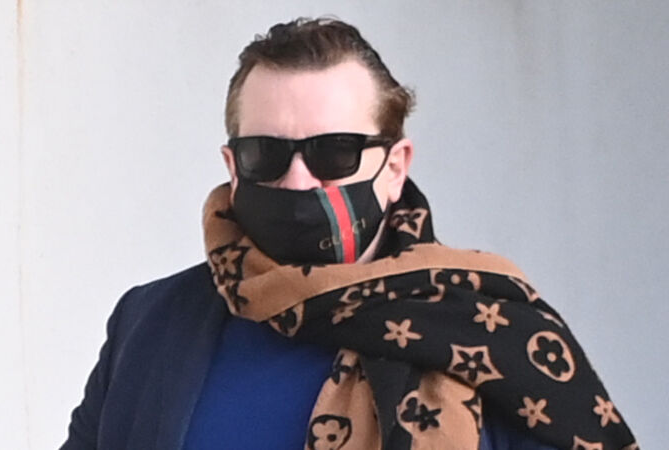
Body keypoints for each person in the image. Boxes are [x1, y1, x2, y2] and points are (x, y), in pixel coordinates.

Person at [61, 17, 638, 450]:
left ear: (395, 167)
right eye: (266, 154)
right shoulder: (151, 323)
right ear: (233, 167)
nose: (297, 179)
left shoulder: (495, 329)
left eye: (335, 152)